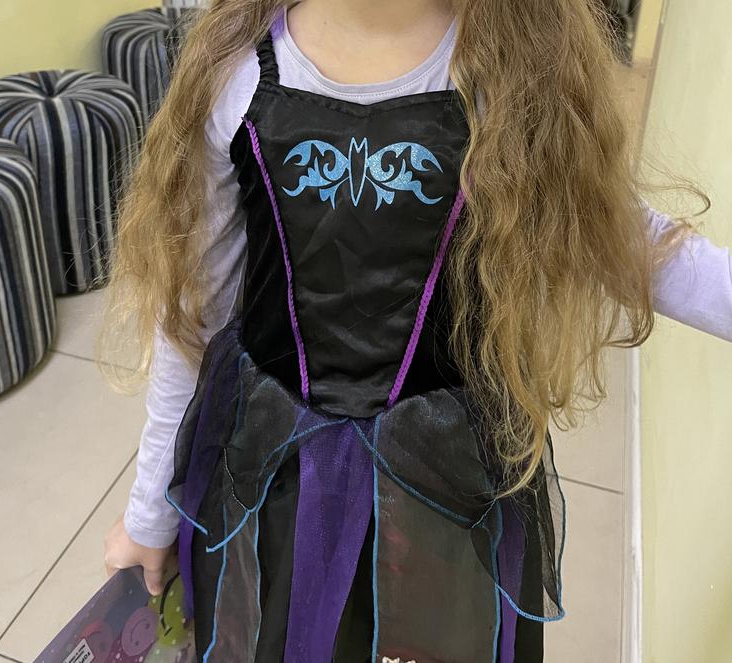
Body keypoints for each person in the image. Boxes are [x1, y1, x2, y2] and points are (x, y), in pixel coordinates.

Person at [103, 1, 732, 661]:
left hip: (447, 483)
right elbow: (191, 316)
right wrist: (151, 513)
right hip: (279, 487)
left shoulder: (517, 71)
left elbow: (626, 238)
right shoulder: (234, 72)